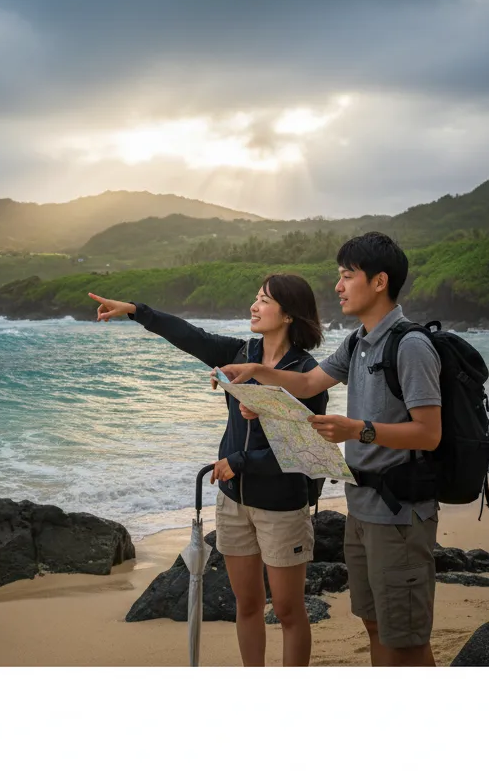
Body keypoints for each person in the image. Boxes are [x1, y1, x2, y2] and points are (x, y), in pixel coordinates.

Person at [219, 232, 442, 667]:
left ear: (379, 282)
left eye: (346, 276)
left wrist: (355, 430)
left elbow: (429, 433)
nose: (337, 287)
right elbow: (306, 383)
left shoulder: (410, 345)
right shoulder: (358, 341)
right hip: (361, 504)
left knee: (405, 637)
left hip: (399, 510)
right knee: (376, 625)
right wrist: (257, 371)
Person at [88, 274, 329, 667]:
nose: (254, 306)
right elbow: (190, 336)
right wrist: (135, 311)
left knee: (287, 611)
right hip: (234, 501)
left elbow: (304, 452)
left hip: (281, 506)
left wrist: (240, 461)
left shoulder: (307, 376)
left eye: (264, 300)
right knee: (246, 605)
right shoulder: (241, 353)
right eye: (255, 297)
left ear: (288, 315)